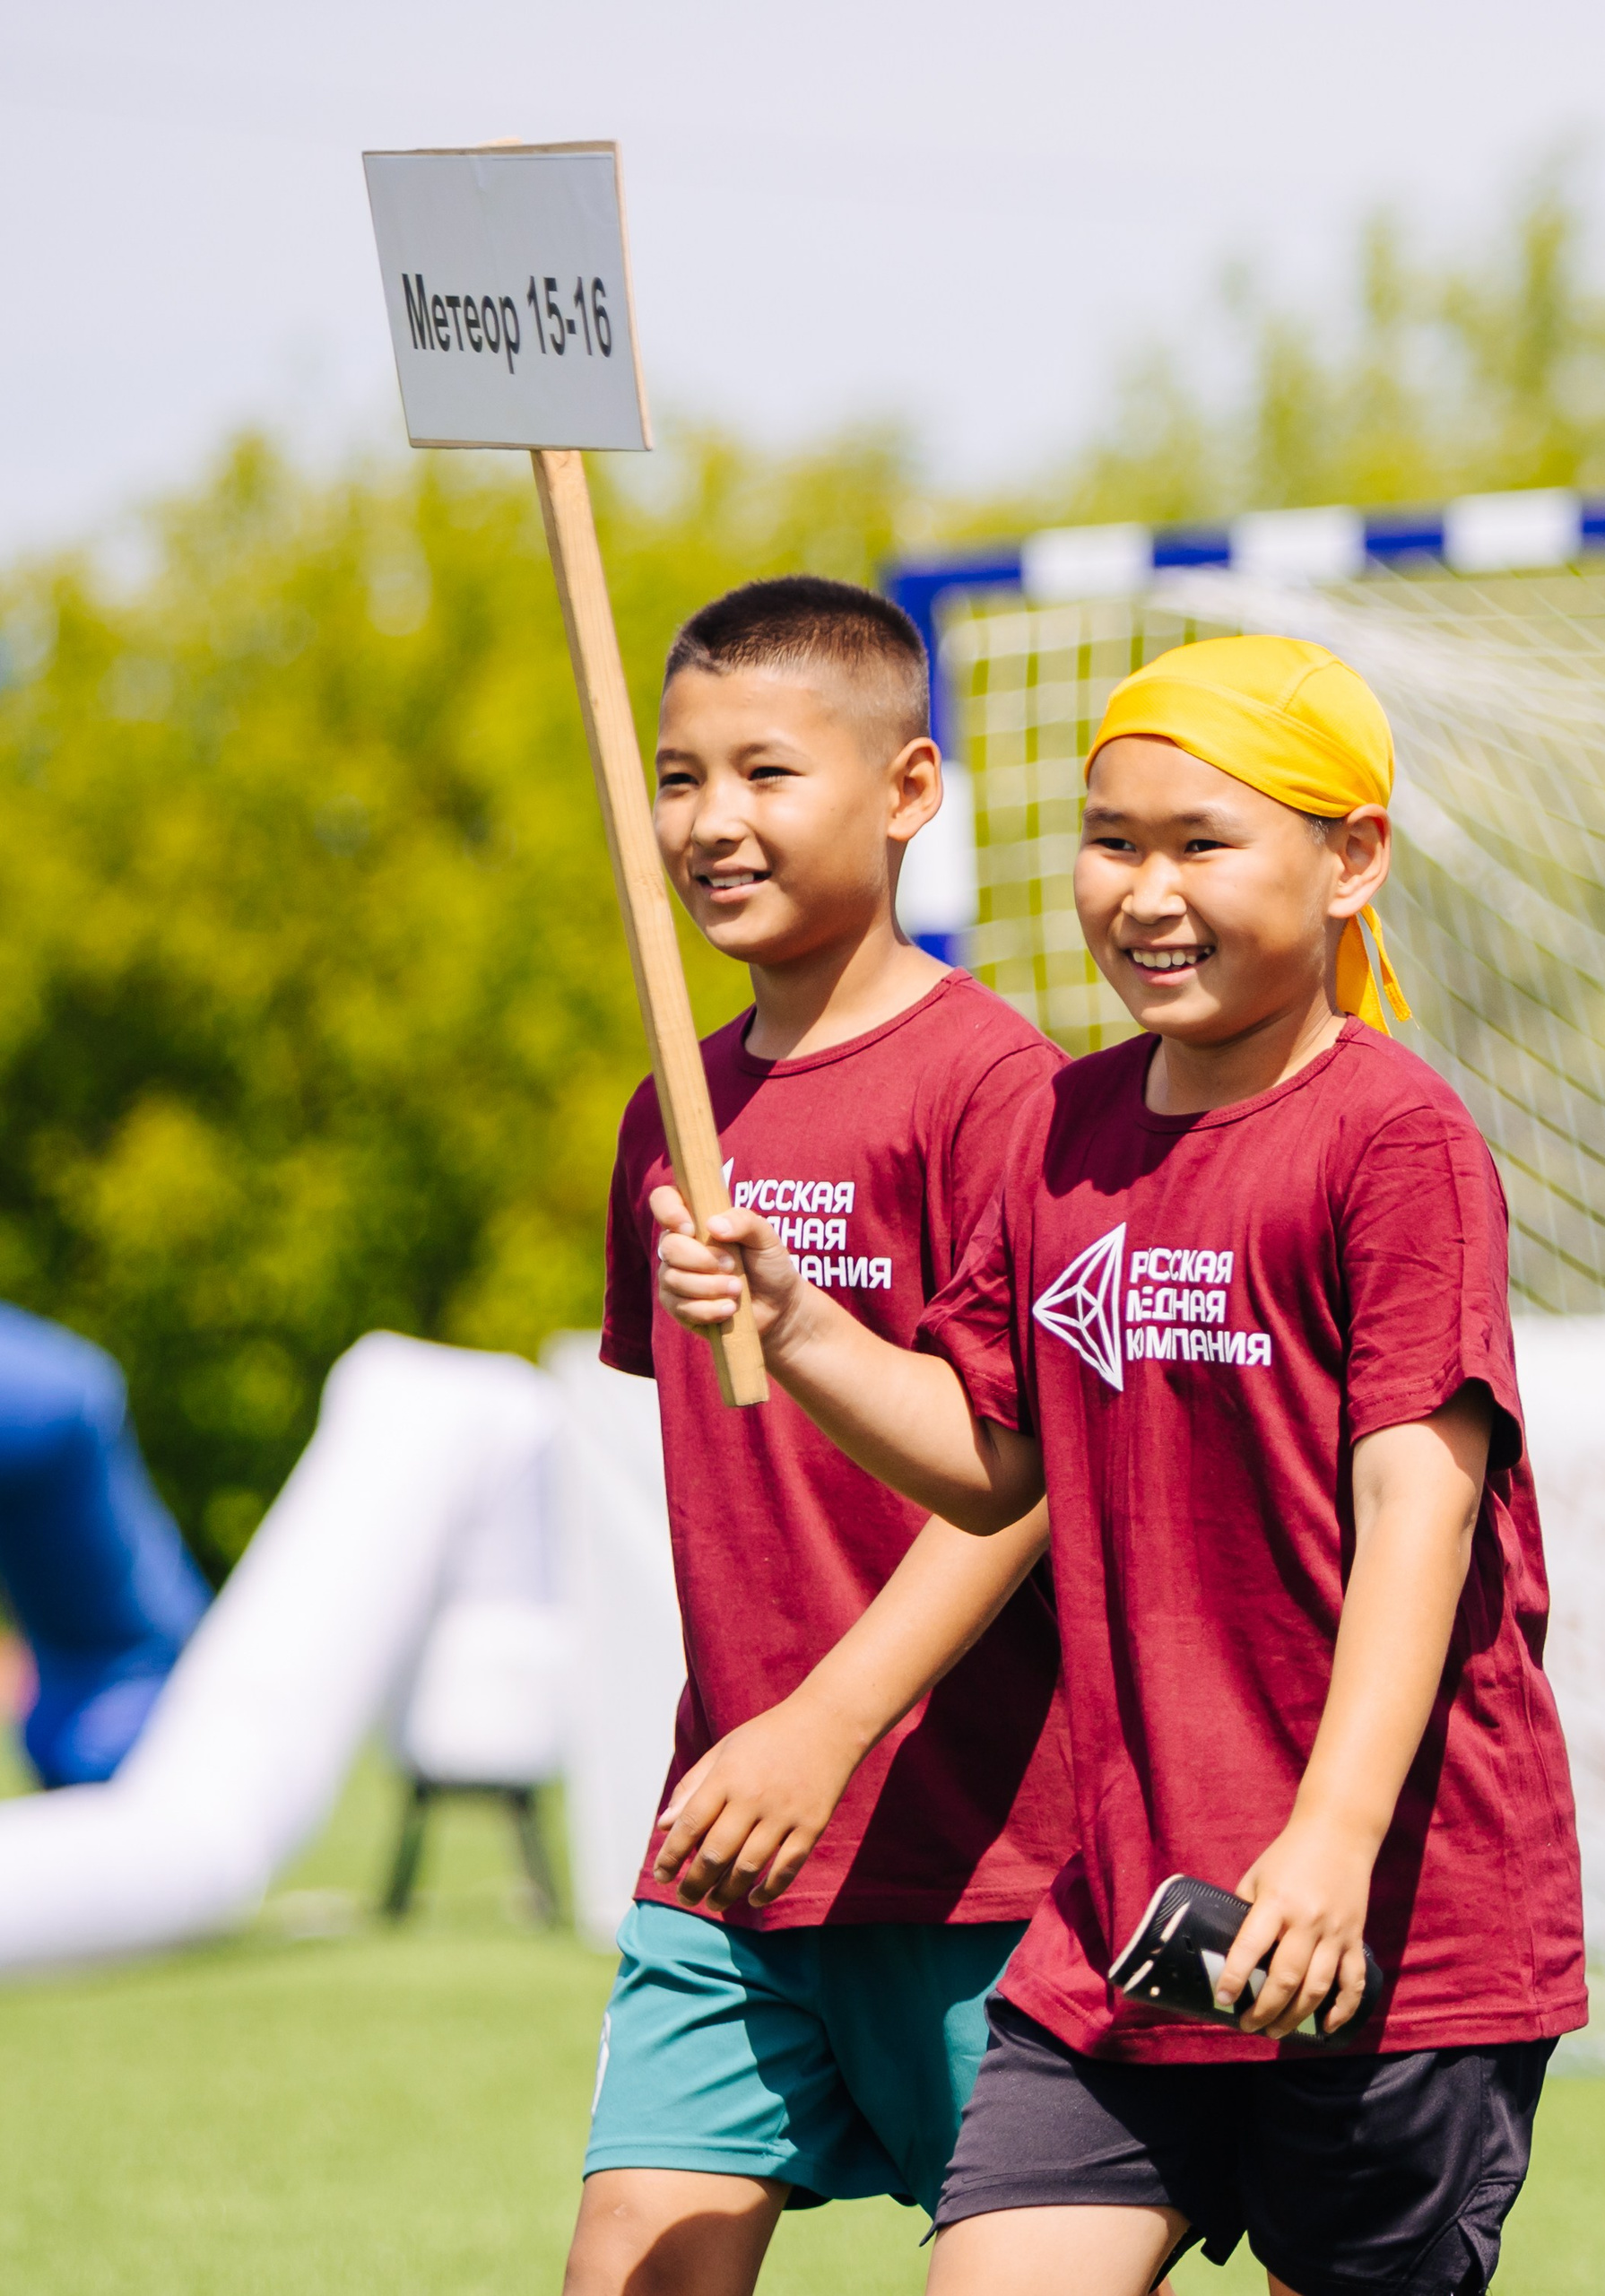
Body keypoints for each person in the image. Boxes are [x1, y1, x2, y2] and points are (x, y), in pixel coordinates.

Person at [651, 635, 1588, 2296]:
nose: (1145, 892)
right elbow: (996, 1464)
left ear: (1352, 858)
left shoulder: (1397, 1140)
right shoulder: (1063, 1131)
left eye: (1200, 844)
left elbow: (1417, 1516)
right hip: (1124, 1927)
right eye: (1112, 840)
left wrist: (1327, 1839)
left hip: (1389, 1927)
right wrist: (796, 1326)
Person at [562, 578, 1074, 2296]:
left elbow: (1031, 1484)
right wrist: (754, 1742)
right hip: (724, 1848)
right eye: (680, 776)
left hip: (974, 1849)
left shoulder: (1002, 1087)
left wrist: (830, 1723)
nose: (713, 822)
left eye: (767, 774)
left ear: (909, 790)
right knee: (630, 2265)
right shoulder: (672, 1104)